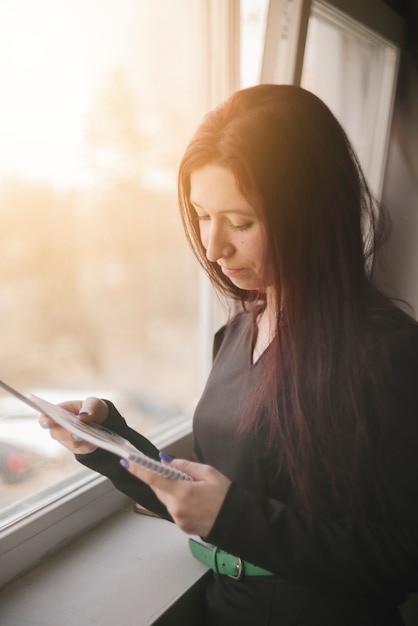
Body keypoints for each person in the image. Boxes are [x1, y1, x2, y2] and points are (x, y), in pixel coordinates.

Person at [40, 84, 418, 625]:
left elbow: (407, 554)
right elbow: (210, 493)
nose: (214, 250)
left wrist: (237, 518)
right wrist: (107, 443)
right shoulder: (237, 334)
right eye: (201, 215)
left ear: (311, 213)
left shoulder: (390, 354)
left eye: (241, 223)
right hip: (225, 609)